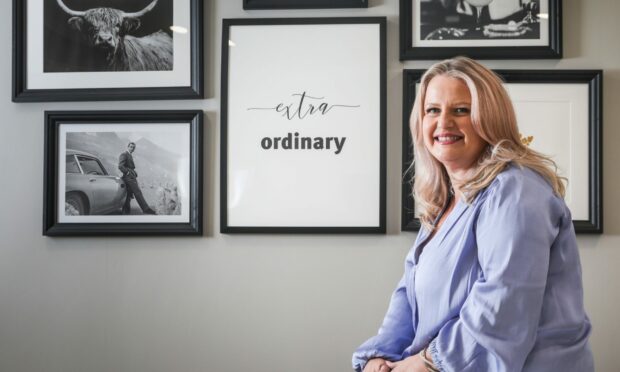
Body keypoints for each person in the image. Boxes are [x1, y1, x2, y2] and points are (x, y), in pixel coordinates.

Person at [352, 57, 593, 372]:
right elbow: (409, 297)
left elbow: (502, 304)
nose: (444, 123)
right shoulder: (446, 201)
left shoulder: (515, 189)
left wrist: (426, 362)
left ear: (490, 117)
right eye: (433, 110)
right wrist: (380, 356)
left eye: (461, 110)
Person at [118, 142, 157, 215]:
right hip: (128, 178)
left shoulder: (129, 155)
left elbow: (129, 167)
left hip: (131, 177)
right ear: (128, 147)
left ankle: (125, 211)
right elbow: (120, 166)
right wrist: (128, 173)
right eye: (131, 147)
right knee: (138, 192)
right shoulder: (124, 154)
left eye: (133, 147)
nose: (132, 148)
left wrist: (133, 172)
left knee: (128, 195)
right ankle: (146, 209)